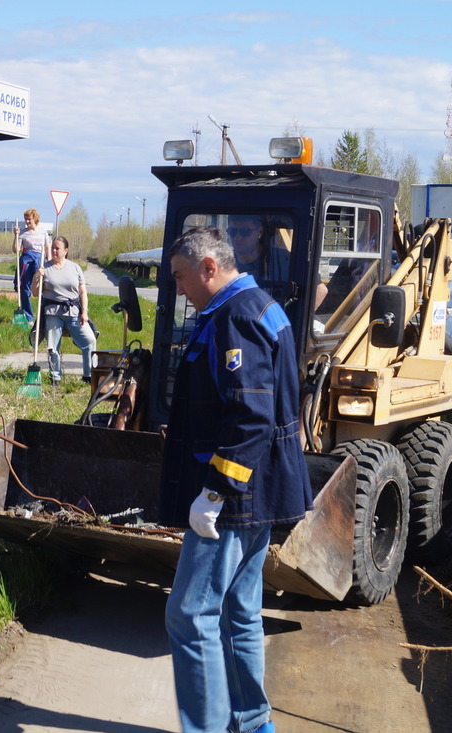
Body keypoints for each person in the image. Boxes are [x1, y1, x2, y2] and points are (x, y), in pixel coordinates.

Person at [160, 227, 312, 733]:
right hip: (259, 491)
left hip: (235, 498)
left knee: (189, 616)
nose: (179, 288)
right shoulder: (257, 306)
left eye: (182, 277)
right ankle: (252, 724)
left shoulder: (236, 317)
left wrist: (214, 493)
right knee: (239, 613)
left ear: (208, 266)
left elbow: (250, 417)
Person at [33, 235, 95, 387]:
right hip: (53, 313)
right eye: (53, 247)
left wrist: (84, 311)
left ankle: (89, 375)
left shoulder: (75, 268)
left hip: (73, 312)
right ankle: (55, 377)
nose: (54, 250)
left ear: (65, 251)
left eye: (57, 248)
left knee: (90, 340)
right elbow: (35, 293)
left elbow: (82, 292)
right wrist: (36, 276)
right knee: (53, 346)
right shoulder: (45, 268)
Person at [13, 207, 50, 324]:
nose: (27, 222)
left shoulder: (43, 232)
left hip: (39, 260)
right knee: (24, 288)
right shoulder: (22, 233)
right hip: (26, 260)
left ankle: (45, 315)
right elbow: (16, 250)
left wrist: (48, 262)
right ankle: (29, 317)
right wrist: (15, 235)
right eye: (25, 219)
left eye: (29, 219)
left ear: (35, 219)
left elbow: (47, 247)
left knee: (43, 288)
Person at [228, 215, 289, 281]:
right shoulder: (224, 262)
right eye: (232, 231)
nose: (238, 237)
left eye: (245, 231)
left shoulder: (281, 259)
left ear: (260, 231)